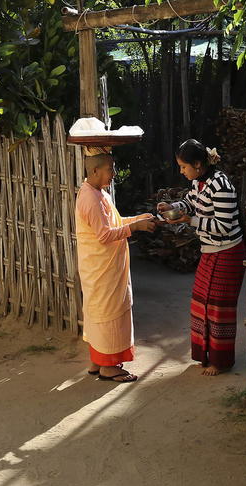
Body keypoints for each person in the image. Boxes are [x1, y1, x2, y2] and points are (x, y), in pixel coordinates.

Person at [158, 139, 245, 376]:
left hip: (228, 252)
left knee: (218, 308)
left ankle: (221, 361)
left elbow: (224, 226)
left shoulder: (221, 185)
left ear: (197, 164)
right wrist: (171, 206)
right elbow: (189, 202)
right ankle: (206, 355)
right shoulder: (199, 182)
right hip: (210, 250)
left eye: (184, 166)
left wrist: (189, 221)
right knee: (201, 304)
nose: (181, 171)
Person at [76, 148, 156, 383]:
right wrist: (136, 228)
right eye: (110, 169)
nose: (114, 173)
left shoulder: (99, 193)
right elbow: (104, 235)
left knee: (100, 313)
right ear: (94, 170)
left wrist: (139, 219)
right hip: (101, 269)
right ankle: (109, 367)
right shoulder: (91, 198)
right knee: (107, 314)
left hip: (104, 267)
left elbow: (116, 222)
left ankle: (98, 361)